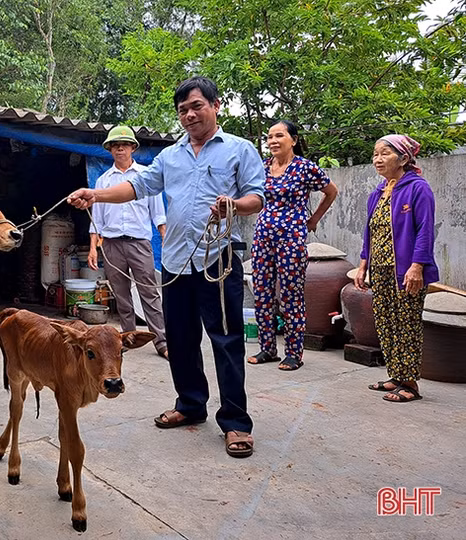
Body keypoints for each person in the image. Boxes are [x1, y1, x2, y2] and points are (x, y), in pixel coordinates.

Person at [68, 76, 265, 458]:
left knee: (226, 342)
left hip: (218, 261)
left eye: (196, 106)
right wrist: (96, 193)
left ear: (216, 105)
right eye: (183, 110)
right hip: (175, 261)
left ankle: (236, 422)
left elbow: (256, 196)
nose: (189, 115)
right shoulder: (169, 156)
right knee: (181, 340)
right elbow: (138, 188)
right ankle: (191, 405)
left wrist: (234, 206)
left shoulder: (239, 150)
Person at [247, 120, 338, 371]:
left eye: (279, 136)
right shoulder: (263, 167)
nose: (273, 141)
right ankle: (267, 348)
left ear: (294, 140)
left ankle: (293, 353)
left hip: (291, 238)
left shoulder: (305, 168)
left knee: (291, 295)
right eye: (269, 137)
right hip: (263, 236)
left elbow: (331, 191)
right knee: (263, 293)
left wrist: (314, 218)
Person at [355, 134, 438, 403]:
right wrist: (363, 264)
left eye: (385, 153)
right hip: (380, 269)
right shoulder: (377, 194)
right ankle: (396, 375)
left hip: (406, 270)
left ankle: (410, 383)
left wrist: (417, 266)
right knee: (386, 321)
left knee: (407, 324)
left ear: (403, 158)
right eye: (375, 154)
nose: (377, 159)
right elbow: (369, 232)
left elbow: (425, 231)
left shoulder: (418, 189)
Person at [89, 126, 168, 358]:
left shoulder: (146, 176)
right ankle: (128, 337)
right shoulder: (103, 181)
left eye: (124, 144)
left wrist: (164, 236)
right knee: (121, 295)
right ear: (110, 150)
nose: (119, 148)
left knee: (149, 293)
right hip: (112, 245)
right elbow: (97, 218)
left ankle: (162, 342)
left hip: (139, 244)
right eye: (115, 145)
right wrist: (93, 248)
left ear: (133, 147)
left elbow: (158, 213)